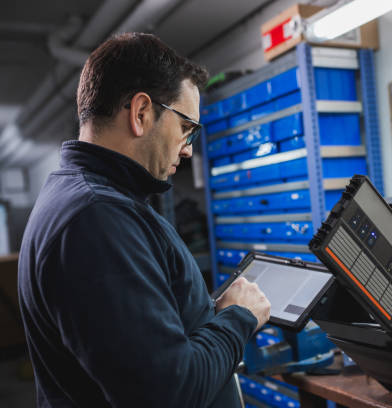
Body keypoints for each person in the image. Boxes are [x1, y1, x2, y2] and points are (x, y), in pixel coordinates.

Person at [18, 32, 270, 407]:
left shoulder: (94, 200)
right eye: (187, 127)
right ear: (141, 113)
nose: (187, 150)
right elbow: (168, 392)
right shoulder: (97, 219)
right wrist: (237, 318)